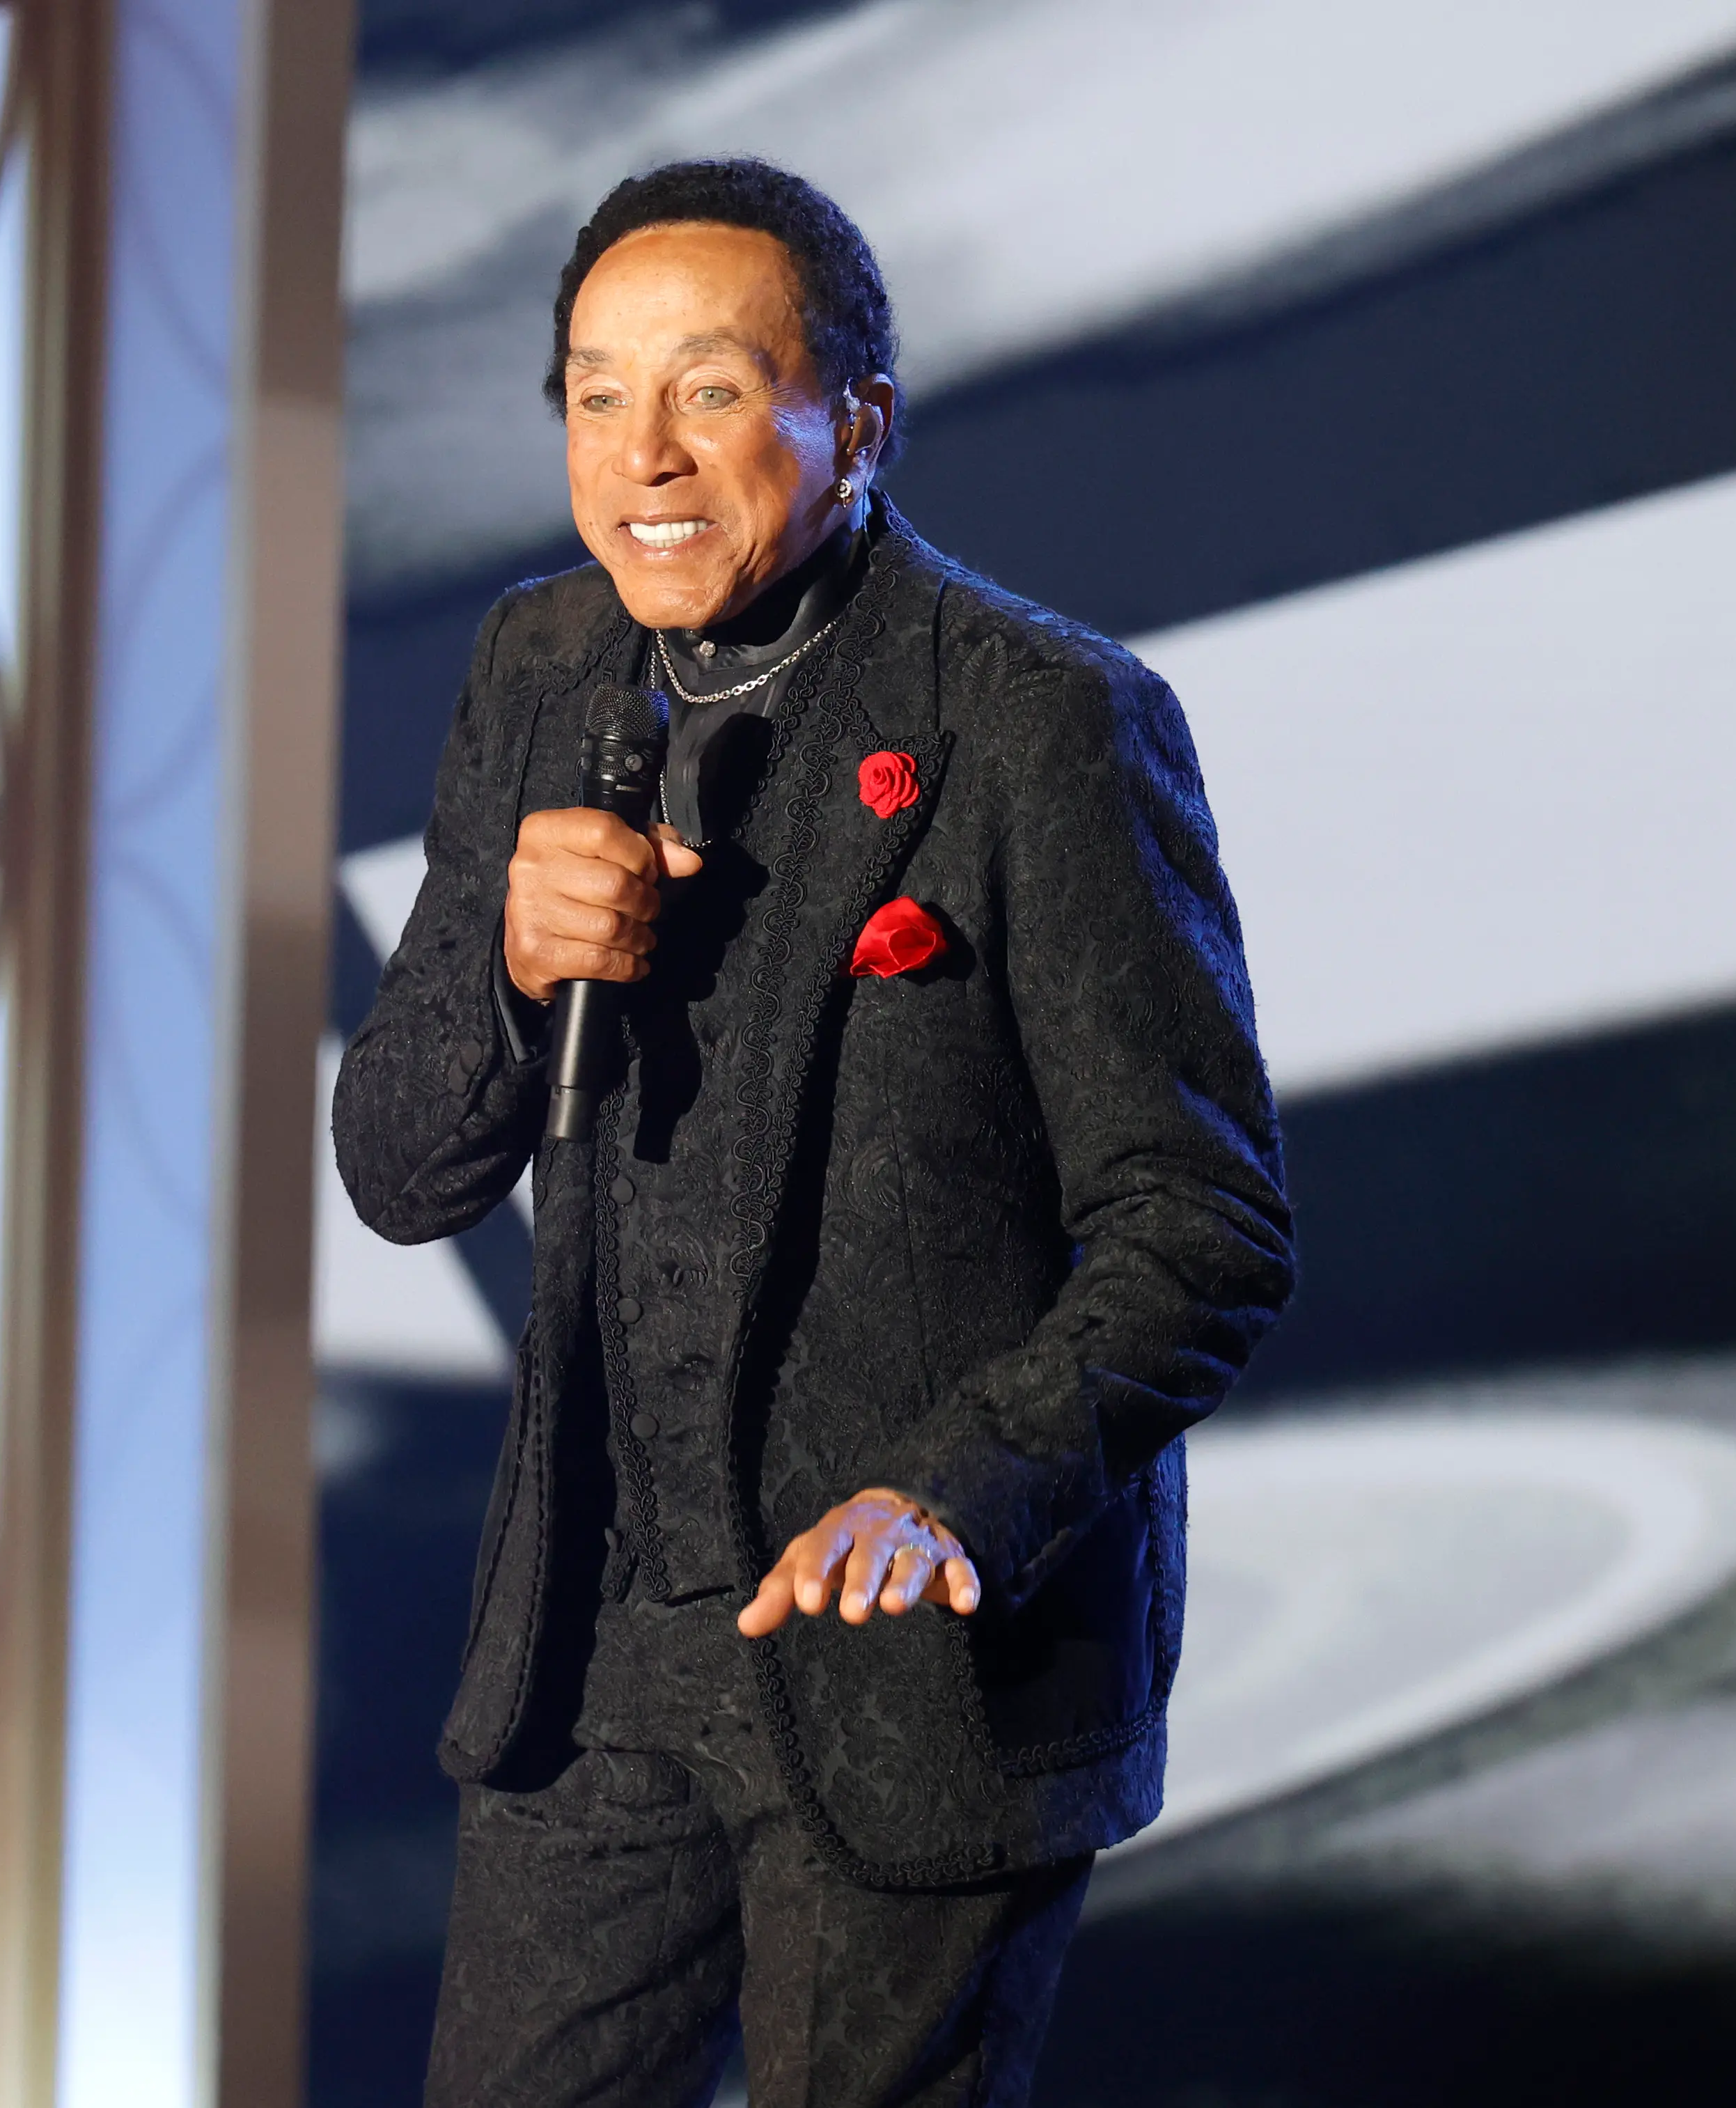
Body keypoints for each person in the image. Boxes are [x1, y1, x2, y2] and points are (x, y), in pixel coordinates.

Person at [333, 158, 1294, 2108]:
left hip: (906, 1665)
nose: (642, 456)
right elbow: (401, 1171)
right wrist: (511, 977)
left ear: (853, 421)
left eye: (706, 387)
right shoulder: (540, 673)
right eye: (594, 397)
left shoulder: (1042, 720)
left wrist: (956, 1488)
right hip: (599, 1653)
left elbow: (1196, 1222)